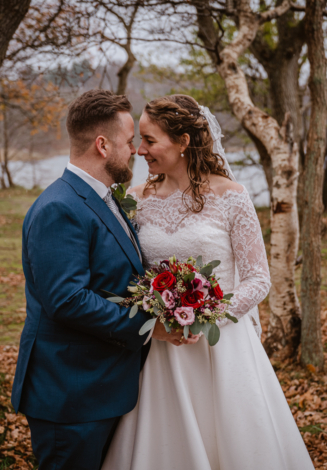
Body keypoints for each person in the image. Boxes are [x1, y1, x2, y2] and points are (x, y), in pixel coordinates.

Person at [102, 94, 315, 469]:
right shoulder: (135, 200)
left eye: (150, 140)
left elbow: (257, 278)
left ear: (183, 141)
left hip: (223, 346)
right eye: (140, 140)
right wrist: (159, 312)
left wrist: (205, 315)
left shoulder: (231, 196)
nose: (140, 150)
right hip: (162, 348)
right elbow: (129, 274)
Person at [10, 89, 197, 470]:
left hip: (101, 388)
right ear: (102, 145)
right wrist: (150, 326)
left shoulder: (103, 198)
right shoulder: (60, 207)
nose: (135, 151)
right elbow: (68, 300)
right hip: (70, 395)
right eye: (128, 142)